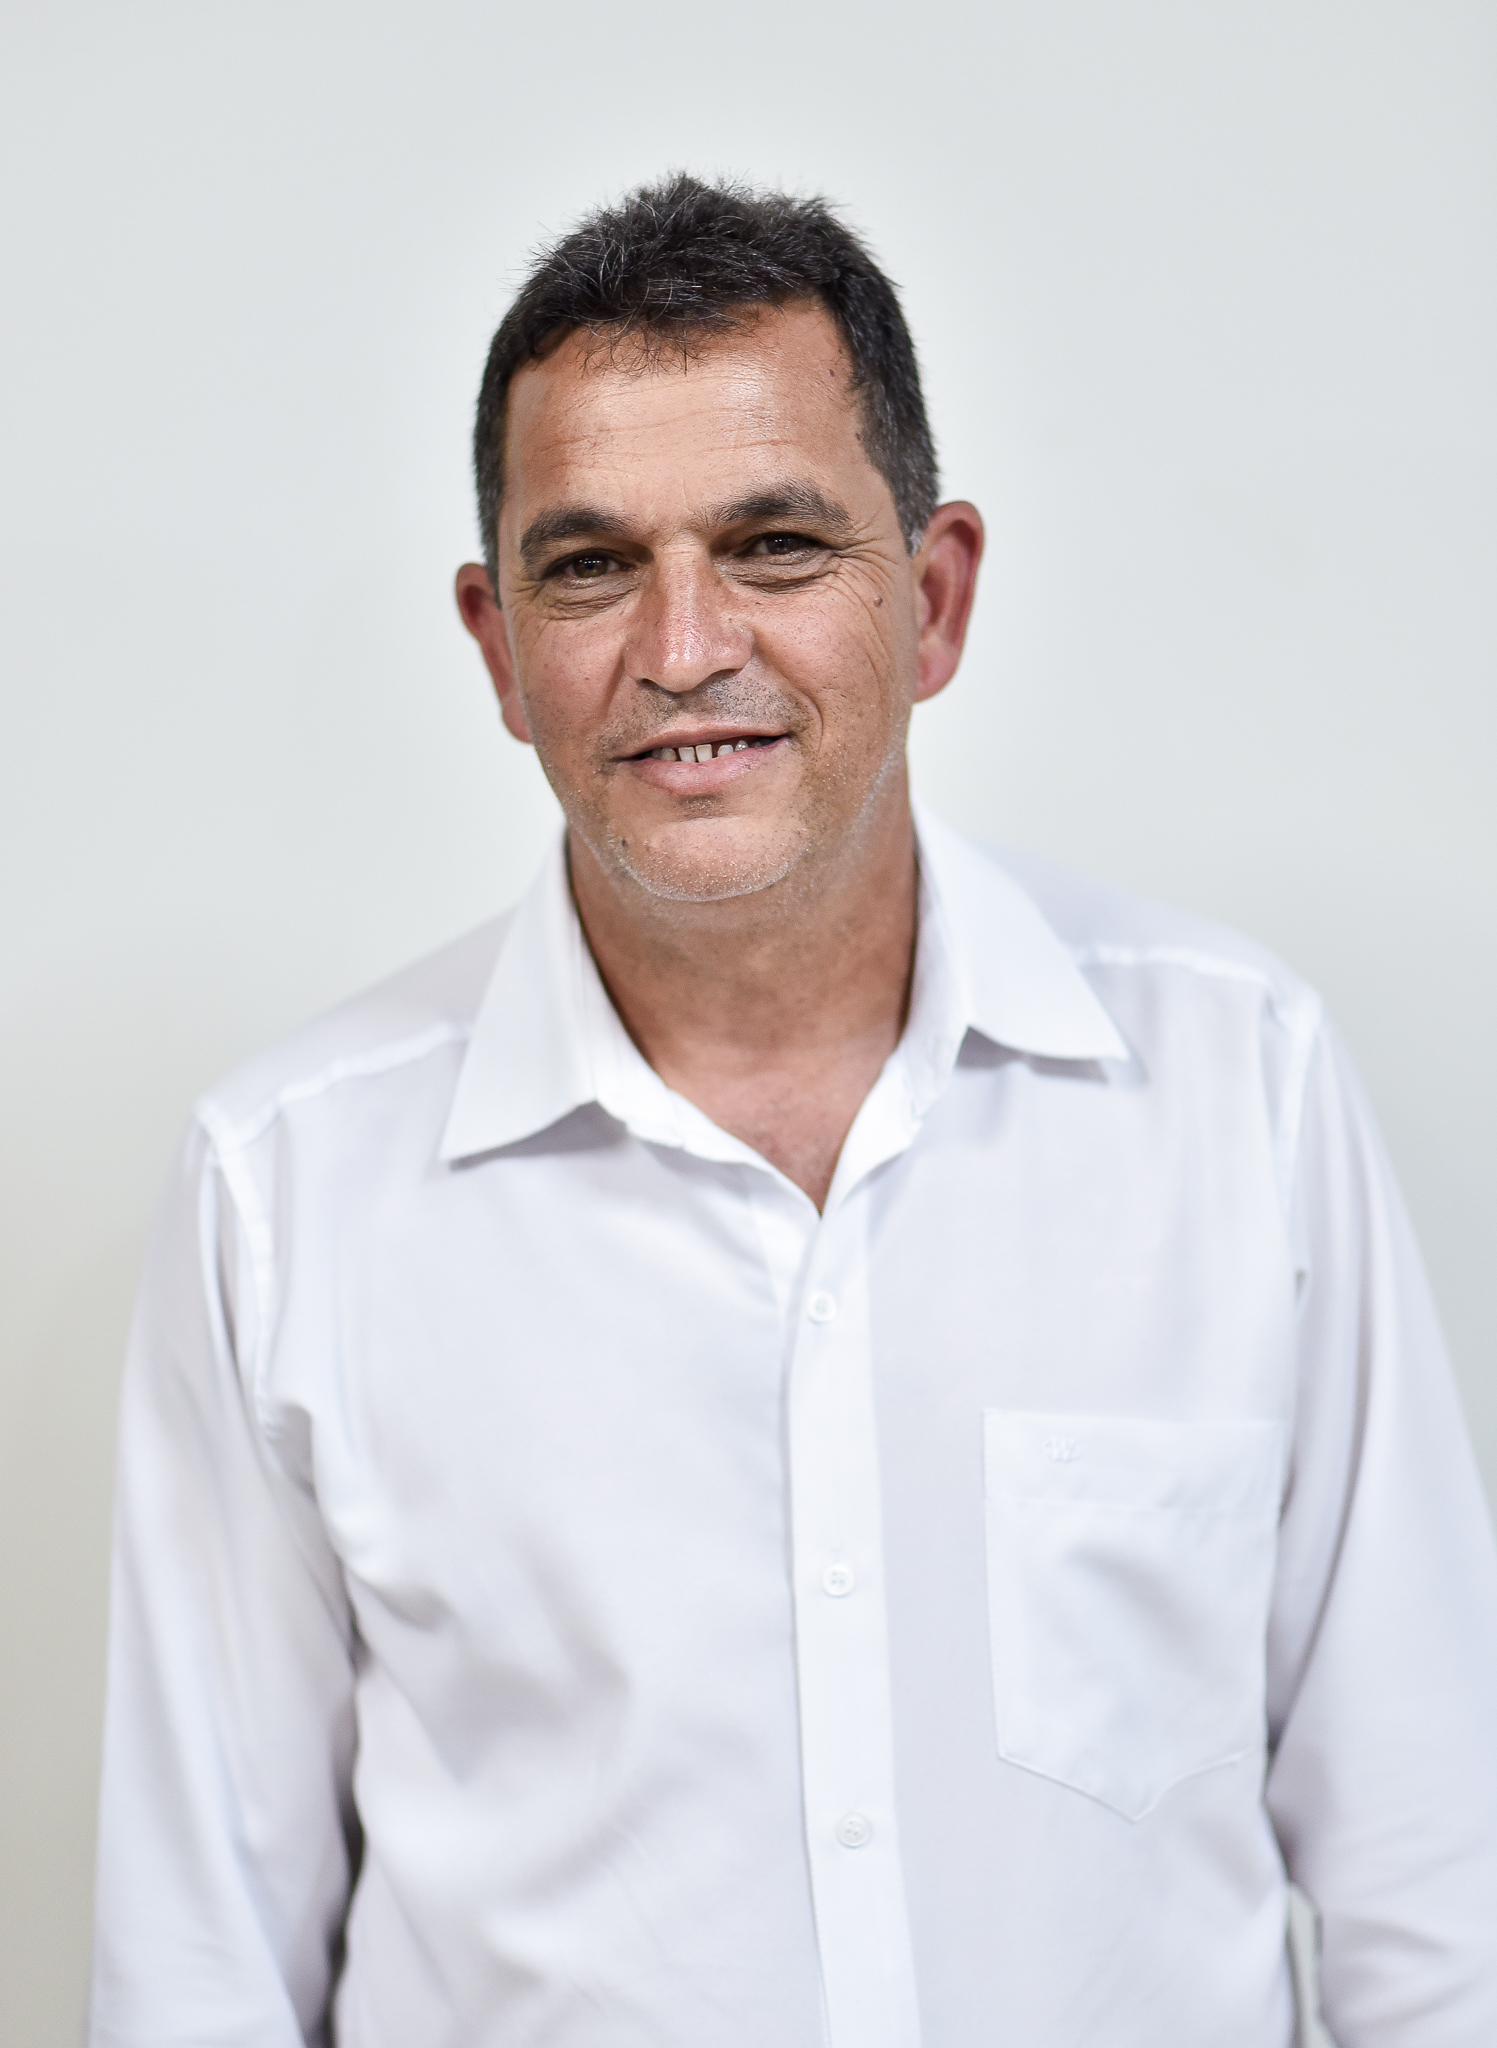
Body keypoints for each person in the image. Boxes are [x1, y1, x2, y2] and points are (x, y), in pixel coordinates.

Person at [89, 175, 1497, 2048]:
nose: (683, 646)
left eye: (772, 545)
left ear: (932, 599)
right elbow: (199, 1965)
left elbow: (1433, 1882)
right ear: (497, 648)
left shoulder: (1238, 1091)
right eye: (589, 566)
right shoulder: (285, 1193)